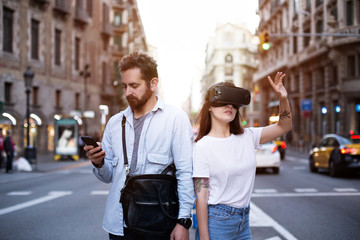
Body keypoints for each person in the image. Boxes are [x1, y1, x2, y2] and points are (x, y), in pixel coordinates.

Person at [84, 51, 194, 240]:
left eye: (134, 86)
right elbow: (109, 176)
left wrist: (183, 221)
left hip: (159, 224)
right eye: (125, 86)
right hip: (119, 225)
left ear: (153, 83)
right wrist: (99, 163)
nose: (128, 92)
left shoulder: (175, 119)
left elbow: (185, 172)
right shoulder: (114, 123)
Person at [193, 72, 292, 240]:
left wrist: (283, 98)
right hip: (218, 222)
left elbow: (284, 126)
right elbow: (201, 198)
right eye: (223, 102)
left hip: (244, 221)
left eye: (234, 103)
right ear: (209, 106)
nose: (229, 106)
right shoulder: (203, 146)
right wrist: (204, 238)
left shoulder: (248, 136)